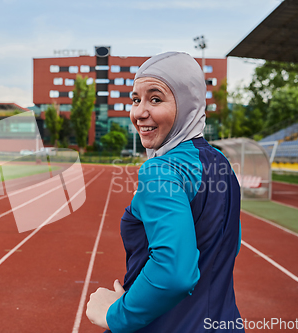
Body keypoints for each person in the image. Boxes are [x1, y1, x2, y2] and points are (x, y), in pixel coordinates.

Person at [86, 52, 244, 332]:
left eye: (155, 99)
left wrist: (116, 314)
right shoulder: (222, 164)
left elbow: (175, 275)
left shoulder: (160, 170)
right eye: (136, 100)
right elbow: (226, 246)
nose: (139, 113)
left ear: (187, 104)